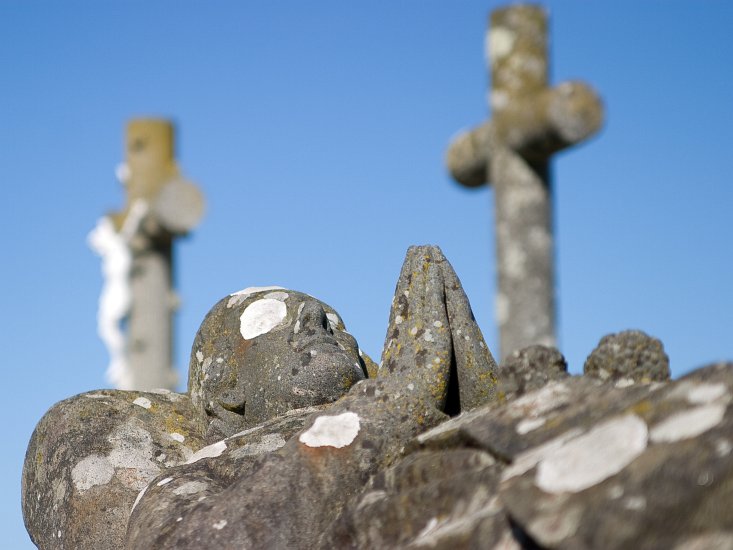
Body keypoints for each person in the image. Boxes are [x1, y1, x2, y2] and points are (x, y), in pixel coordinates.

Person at [23, 246, 498, 549]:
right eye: (271, 318)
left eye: (337, 324)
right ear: (225, 389)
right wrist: (392, 407)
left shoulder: (410, 415)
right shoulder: (200, 475)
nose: (315, 319)